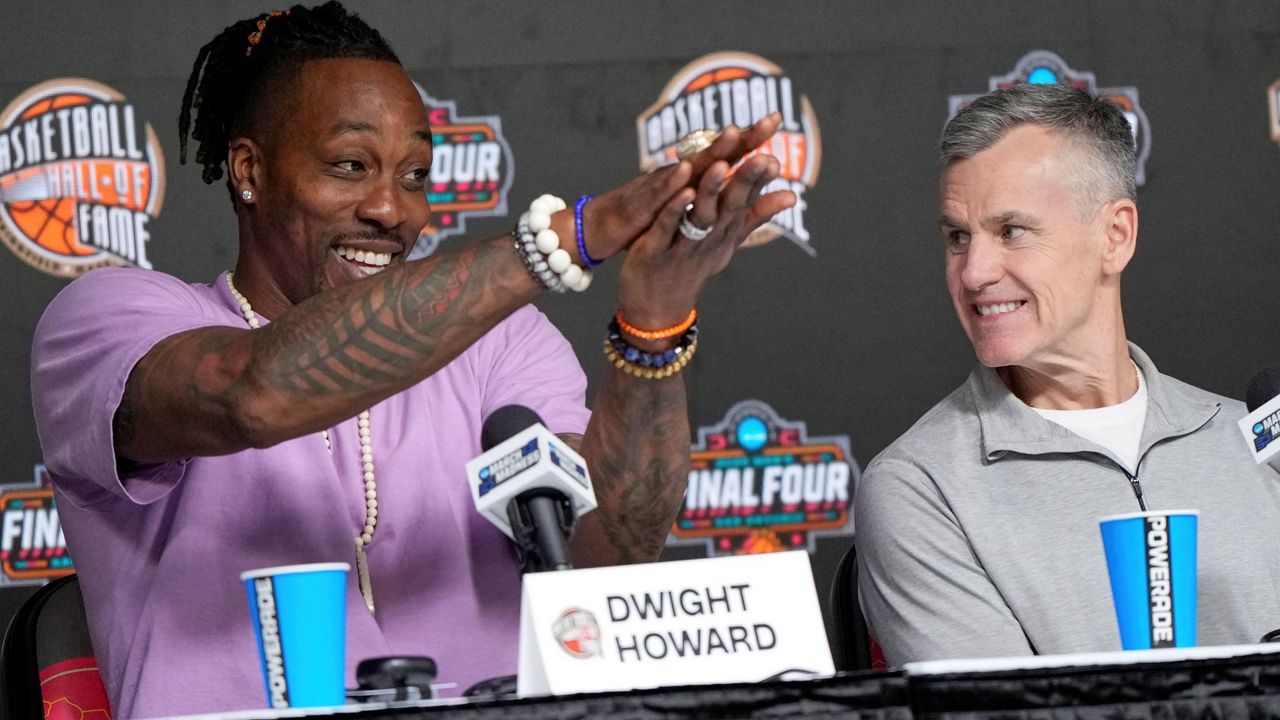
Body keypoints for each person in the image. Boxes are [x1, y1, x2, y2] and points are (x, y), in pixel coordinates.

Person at [29, 2, 795, 716]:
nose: (393, 210)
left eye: (415, 174)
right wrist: (566, 240)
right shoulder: (110, 318)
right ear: (250, 171)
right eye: (350, 166)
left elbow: (606, 560)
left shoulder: (503, 342)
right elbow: (249, 394)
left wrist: (654, 319)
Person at [854, 83, 1280, 667]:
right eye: (958, 237)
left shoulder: (1254, 439)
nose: (974, 273)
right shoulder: (920, 487)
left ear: (1115, 236)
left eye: (1012, 232)